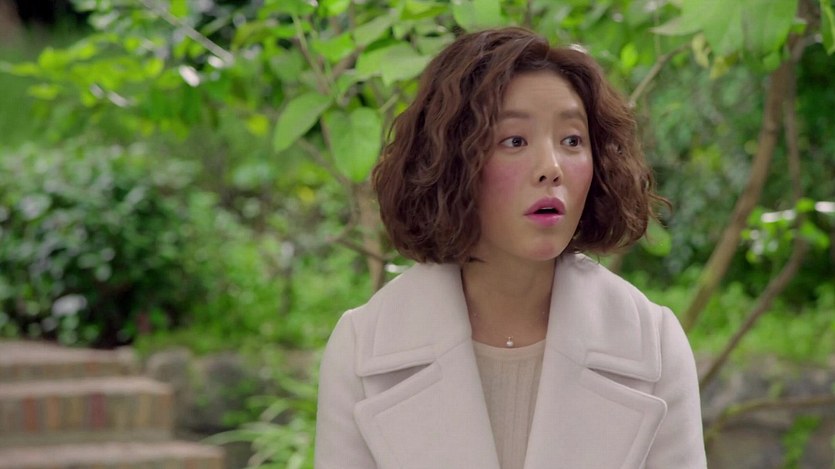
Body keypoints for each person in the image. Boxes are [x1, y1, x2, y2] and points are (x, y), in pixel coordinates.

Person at [314, 27, 706, 469]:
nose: (551, 168)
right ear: (450, 162)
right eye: (514, 141)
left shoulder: (654, 343)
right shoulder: (361, 349)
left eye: (572, 140)